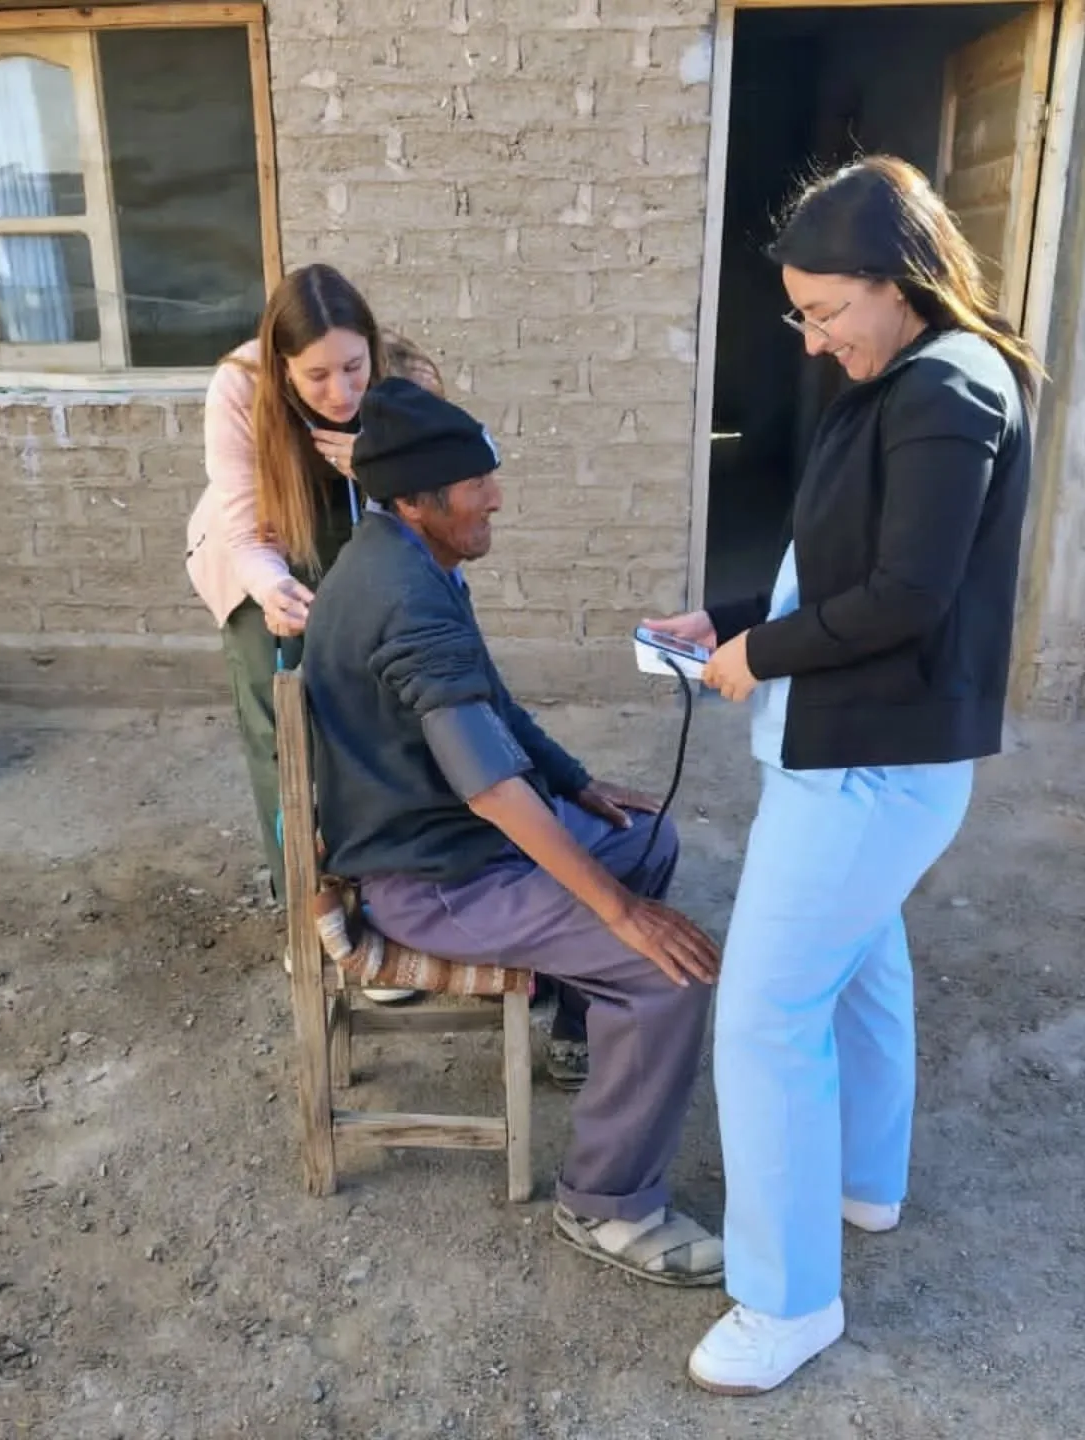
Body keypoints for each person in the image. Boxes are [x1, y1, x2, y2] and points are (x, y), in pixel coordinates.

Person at [646, 156, 1042, 1395]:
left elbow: (909, 599)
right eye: (800, 315)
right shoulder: (900, 376)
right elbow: (835, 559)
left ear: (898, 280)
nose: (814, 341)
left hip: (878, 760)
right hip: (856, 752)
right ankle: (866, 1183)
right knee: (864, 968)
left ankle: (787, 1301)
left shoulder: (948, 390)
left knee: (765, 1017)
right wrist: (727, 620)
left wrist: (758, 655)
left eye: (826, 312)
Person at [303, 377, 724, 1283]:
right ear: (418, 499)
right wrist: (619, 913)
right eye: (475, 484)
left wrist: (577, 782)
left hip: (449, 845)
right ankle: (608, 1205)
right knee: (668, 973)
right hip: (434, 883)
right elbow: (490, 787)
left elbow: (489, 705)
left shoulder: (405, 556)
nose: (496, 496)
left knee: (648, 839)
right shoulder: (407, 598)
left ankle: (581, 1029)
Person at [186, 265, 442, 1004]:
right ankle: (311, 920)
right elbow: (242, 522)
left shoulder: (409, 378)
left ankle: (387, 910)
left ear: (372, 347)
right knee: (286, 739)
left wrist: (376, 461)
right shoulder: (239, 388)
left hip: (370, 551)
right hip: (262, 559)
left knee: (385, 727)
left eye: (354, 367)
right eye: (317, 376)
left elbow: (452, 488)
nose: (341, 392)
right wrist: (271, 588)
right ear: (281, 366)